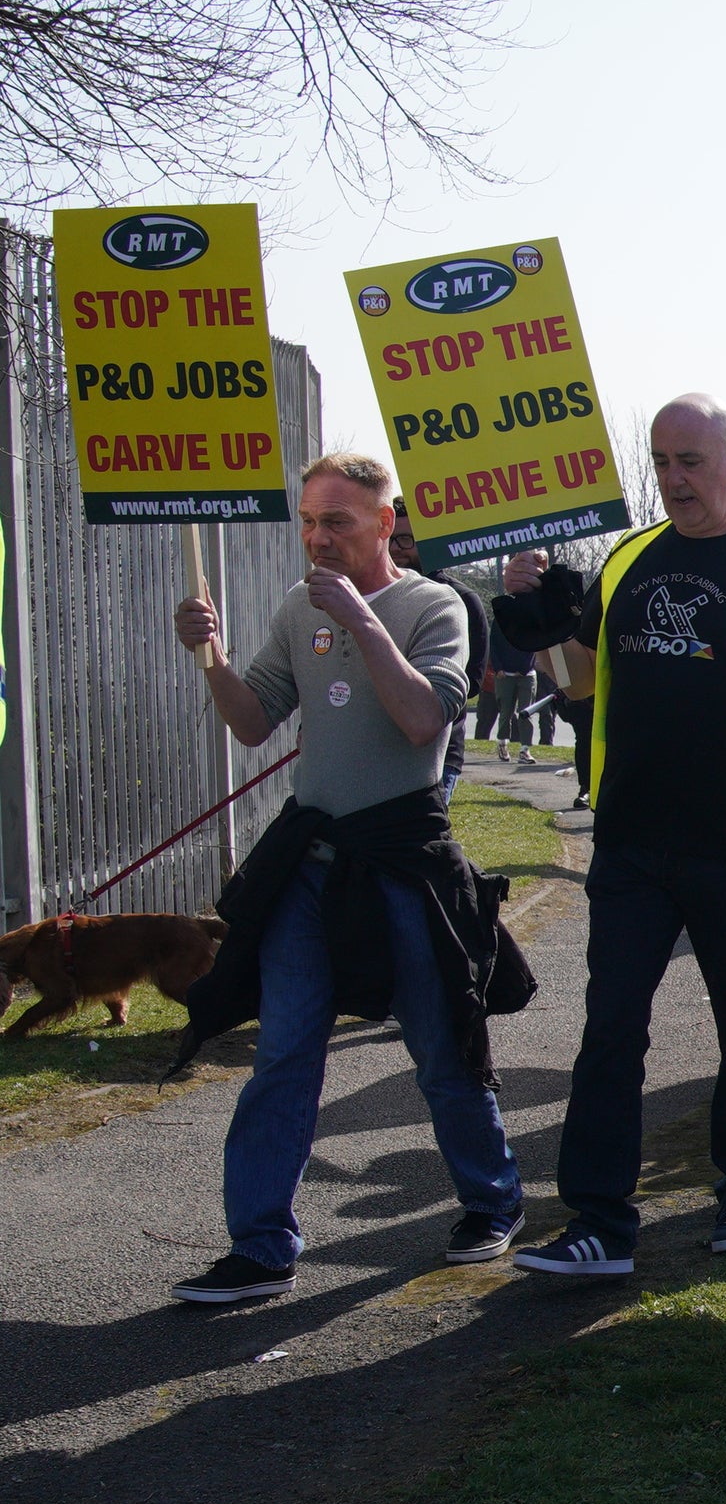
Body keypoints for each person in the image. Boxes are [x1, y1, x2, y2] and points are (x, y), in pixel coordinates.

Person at [164, 453, 525, 1302]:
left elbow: (420, 721)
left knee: (441, 1046)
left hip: (404, 864)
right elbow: (254, 723)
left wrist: (363, 621)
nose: (318, 539)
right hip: (312, 867)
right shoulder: (300, 607)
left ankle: (491, 1202)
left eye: (340, 522)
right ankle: (260, 1247)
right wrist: (210, 657)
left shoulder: (434, 606)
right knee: (283, 1054)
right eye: (309, 520)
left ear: (386, 523)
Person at [497, 395, 726, 1278]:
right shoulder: (630, 558)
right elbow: (577, 687)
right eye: (662, 461)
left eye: (693, 460)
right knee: (610, 1030)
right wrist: (535, 618)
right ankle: (599, 1221)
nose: (676, 478)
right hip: (632, 840)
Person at [390, 499, 486, 797]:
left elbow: (470, 684)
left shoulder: (461, 600)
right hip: (374, 751)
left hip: (436, 757)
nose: (396, 548)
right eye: (389, 538)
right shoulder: (365, 596)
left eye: (406, 539)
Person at [478, 626, 540, 764]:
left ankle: (525, 749)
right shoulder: (500, 620)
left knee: (526, 713)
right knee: (506, 712)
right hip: (505, 674)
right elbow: (493, 645)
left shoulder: (529, 618)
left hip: (527, 674)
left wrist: (524, 669)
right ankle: (503, 743)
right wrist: (498, 668)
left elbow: (535, 643)